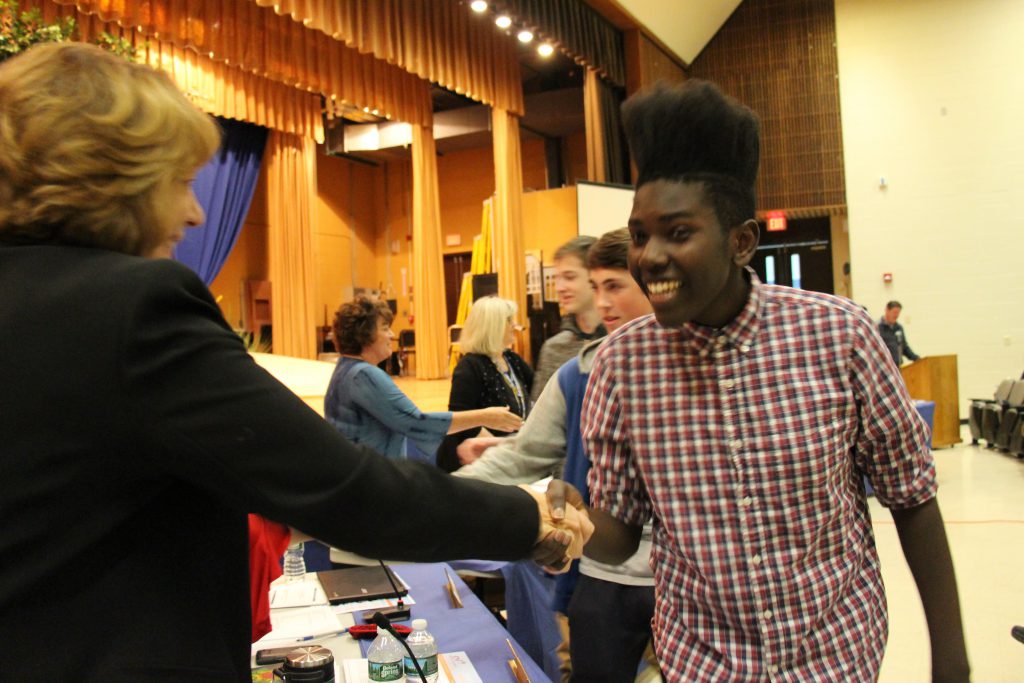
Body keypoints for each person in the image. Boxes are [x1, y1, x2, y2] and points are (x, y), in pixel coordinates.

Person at [0, 42, 591, 681]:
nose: (195, 212)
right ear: (116, 181)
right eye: (179, 183)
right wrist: (529, 515)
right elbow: (343, 488)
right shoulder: (130, 310)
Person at [552, 80, 970, 681]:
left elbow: (912, 499)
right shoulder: (621, 366)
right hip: (703, 661)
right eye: (641, 235)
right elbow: (620, 537)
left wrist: (950, 659)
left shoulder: (840, 336)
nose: (649, 257)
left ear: (741, 241)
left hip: (834, 654)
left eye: (678, 233)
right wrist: (573, 520)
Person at [456, 228, 659, 683]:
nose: (602, 301)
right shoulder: (577, 373)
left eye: (615, 286)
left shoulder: (699, 370)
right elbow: (526, 455)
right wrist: (439, 493)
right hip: (604, 580)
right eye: (596, 286)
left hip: (685, 584)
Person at [324, 296, 522, 462]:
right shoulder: (364, 375)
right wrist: (486, 417)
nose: (391, 335)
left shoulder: (344, 369)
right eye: (385, 328)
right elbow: (416, 422)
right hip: (371, 477)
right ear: (364, 335)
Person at [436, 296, 534, 472]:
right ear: (493, 326)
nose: (514, 325)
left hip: (513, 453)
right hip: (483, 460)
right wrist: (501, 448)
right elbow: (462, 422)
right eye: (509, 320)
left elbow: (539, 392)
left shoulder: (513, 360)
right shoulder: (470, 366)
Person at [530, 236, 606, 403]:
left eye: (570, 277)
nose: (559, 288)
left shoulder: (621, 341)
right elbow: (539, 420)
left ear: (595, 276)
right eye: (557, 278)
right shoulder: (554, 349)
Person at [878, 299, 921, 366]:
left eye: (898, 313)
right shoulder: (877, 327)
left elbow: (904, 347)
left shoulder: (899, 328)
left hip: (898, 367)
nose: (896, 315)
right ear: (887, 310)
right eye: (894, 312)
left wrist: (916, 358)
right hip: (884, 366)